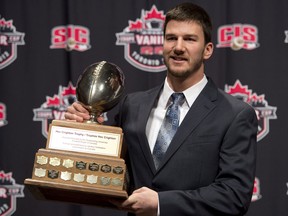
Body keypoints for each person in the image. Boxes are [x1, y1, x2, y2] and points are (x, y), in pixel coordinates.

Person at [65, 2, 258, 216]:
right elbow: (110, 170)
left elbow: (234, 196)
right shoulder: (133, 105)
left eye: (190, 39)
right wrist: (83, 131)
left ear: (208, 50)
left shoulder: (235, 114)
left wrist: (160, 204)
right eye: (171, 38)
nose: (178, 47)